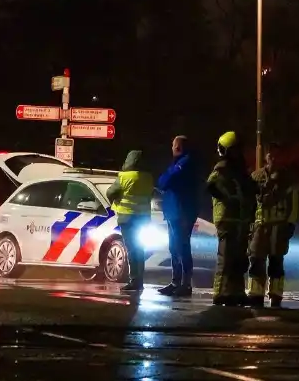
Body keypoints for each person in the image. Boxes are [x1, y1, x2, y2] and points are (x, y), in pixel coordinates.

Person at [248, 143, 299, 308]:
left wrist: (291, 223)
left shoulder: (288, 178)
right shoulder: (256, 176)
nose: (273, 158)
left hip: (279, 224)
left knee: (276, 260)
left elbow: (295, 202)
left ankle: (275, 295)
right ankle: (255, 293)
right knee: (256, 258)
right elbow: (250, 203)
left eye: (276, 155)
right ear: (266, 157)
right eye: (270, 155)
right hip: (260, 224)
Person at [207, 131, 256, 306]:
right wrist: (227, 197)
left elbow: (249, 191)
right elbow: (211, 185)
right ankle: (220, 292)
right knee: (226, 258)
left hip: (240, 219)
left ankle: (236, 292)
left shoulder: (241, 171)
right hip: (227, 219)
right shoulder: (222, 169)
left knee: (239, 259)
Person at [155, 135, 201, 297]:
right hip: (174, 211)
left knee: (181, 247)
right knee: (174, 247)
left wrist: (167, 176)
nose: (173, 148)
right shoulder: (178, 163)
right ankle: (176, 282)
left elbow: (166, 180)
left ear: (179, 147)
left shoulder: (186, 163)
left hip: (181, 211)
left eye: (175, 145)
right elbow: (162, 181)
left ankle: (185, 284)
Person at [106, 150, 155, 292]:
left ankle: (134, 281)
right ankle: (140, 279)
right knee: (140, 249)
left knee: (132, 249)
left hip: (127, 218)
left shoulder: (124, 176)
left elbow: (110, 192)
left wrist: (116, 200)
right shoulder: (148, 177)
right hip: (143, 217)